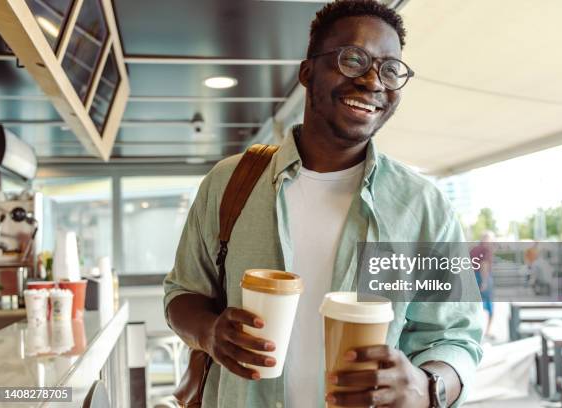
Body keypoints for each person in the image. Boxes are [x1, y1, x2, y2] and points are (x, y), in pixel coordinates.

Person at [164, 1, 483, 407]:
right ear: (307, 72)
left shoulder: (423, 207)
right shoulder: (230, 183)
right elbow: (181, 295)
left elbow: (456, 337)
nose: (372, 81)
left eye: (390, 69)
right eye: (353, 59)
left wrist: (427, 387)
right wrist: (210, 334)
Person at [470, 232, 494, 337]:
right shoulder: (486, 250)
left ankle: (475, 329)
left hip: (472, 278)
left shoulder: (473, 249)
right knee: (489, 306)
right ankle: (487, 330)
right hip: (483, 277)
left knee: (475, 305)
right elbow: (483, 265)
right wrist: (484, 281)